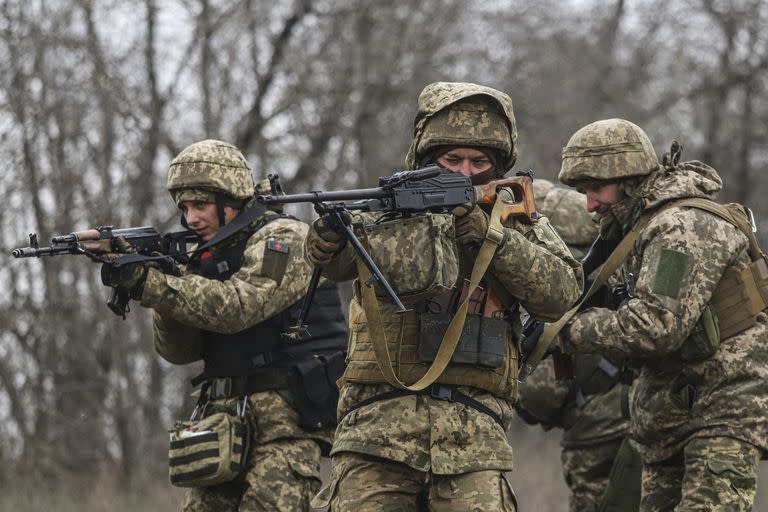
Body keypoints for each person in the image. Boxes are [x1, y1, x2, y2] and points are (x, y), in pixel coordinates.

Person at [307, 82, 583, 511]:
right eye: (451, 160)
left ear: (498, 167)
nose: (465, 172)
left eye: (479, 161)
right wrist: (323, 246)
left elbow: (562, 293)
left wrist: (492, 239)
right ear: (425, 160)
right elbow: (337, 264)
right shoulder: (385, 212)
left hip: (474, 439)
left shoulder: (515, 221)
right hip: (376, 432)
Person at [104, 139, 348, 511]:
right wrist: (164, 281)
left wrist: (150, 283)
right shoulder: (204, 254)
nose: (191, 219)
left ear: (231, 199)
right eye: (184, 208)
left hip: (286, 425)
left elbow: (240, 306)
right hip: (221, 427)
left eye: (200, 205)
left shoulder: (284, 238)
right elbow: (178, 351)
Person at [556, 118, 768, 511]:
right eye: (583, 192)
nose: (589, 204)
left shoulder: (681, 229)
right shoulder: (638, 229)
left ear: (628, 179)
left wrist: (570, 331)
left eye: (596, 189)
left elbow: (656, 325)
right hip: (668, 417)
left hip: (723, 410)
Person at [516, 178, 641, 512]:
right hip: (638, 409)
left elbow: (541, 395)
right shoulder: (605, 242)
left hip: (598, 427)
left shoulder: (546, 262)